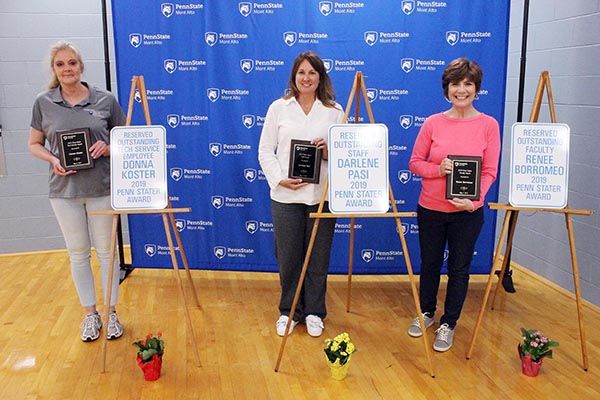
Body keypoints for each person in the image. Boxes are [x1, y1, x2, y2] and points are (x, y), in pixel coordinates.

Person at [28, 41, 126, 342]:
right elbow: (34, 144)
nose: (67, 69)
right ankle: (90, 315)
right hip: (63, 192)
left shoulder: (105, 100)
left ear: (81, 66)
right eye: (61, 64)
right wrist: (53, 159)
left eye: (72, 63)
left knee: (108, 254)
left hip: (102, 189)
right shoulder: (43, 103)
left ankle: (111, 314)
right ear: (54, 70)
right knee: (78, 254)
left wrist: (108, 147)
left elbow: (128, 141)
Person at [407, 58, 501, 352]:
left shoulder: (489, 125)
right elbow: (414, 163)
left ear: (476, 89)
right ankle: (426, 312)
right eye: (455, 84)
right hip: (431, 209)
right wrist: (439, 169)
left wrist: (476, 201)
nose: (461, 90)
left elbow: (489, 171)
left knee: (459, 269)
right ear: (447, 89)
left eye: (468, 84)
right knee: (430, 264)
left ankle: (448, 323)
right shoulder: (433, 123)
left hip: (468, 214)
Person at [258, 51, 344, 337]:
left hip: (321, 197)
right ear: (294, 77)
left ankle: (315, 312)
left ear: (321, 78)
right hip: (285, 198)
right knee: (289, 258)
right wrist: (279, 179)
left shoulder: (334, 111)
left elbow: (344, 156)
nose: (306, 78)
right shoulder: (278, 108)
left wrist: (328, 152)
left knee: (318, 258)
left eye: (312, 73)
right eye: (301, 73)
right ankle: (290, 311)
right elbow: (264, 151)